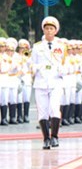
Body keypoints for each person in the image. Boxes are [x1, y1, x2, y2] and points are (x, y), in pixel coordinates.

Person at [31, 16, 64, 149]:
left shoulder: (62, 47)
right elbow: (32, 64)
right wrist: (39, 68)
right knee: (43, 111)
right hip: (41, 81)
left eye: (51, 29)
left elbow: (65, 64)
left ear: (56, 31)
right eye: (46, 29)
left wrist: (62, 70)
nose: (49, 31)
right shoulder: (37, 47)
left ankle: (55, 136)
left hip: (56, 81)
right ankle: (46, 138)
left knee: (54, 109)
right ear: (43, 30)